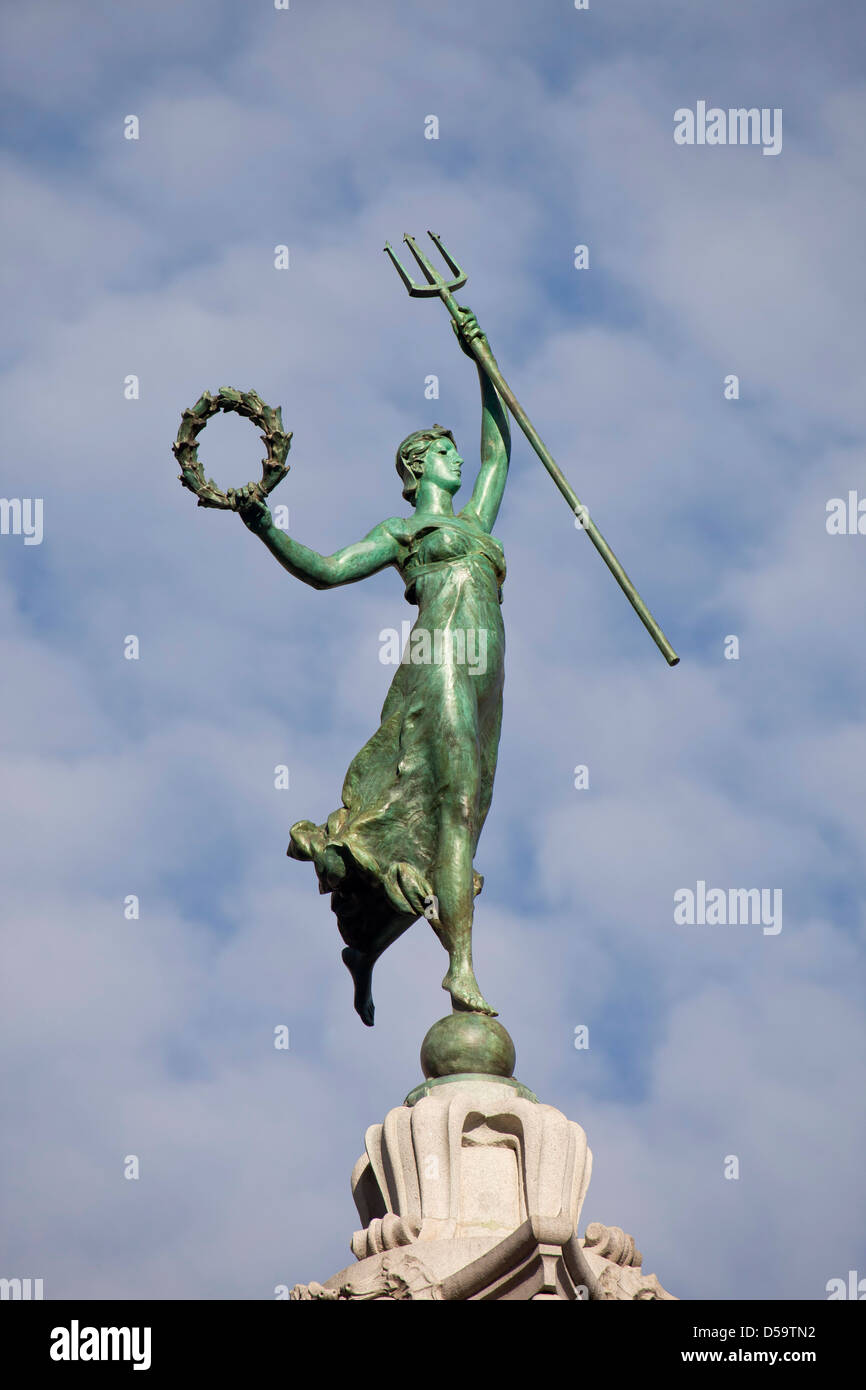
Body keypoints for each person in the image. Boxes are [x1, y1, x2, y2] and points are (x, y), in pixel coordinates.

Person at [234, 307, 511, 1025]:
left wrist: (481, 359)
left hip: (488, 672)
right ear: (419, 466)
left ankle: (368, 946)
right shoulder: (402, 531)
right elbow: (326, 571)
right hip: (439, 658)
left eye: (457, 454)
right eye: (443, 454)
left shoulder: (475, 524)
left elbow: (500, 454)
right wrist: (267, 526)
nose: (458, 462)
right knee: (450, 806)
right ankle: (461, 968)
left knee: (461, 814)